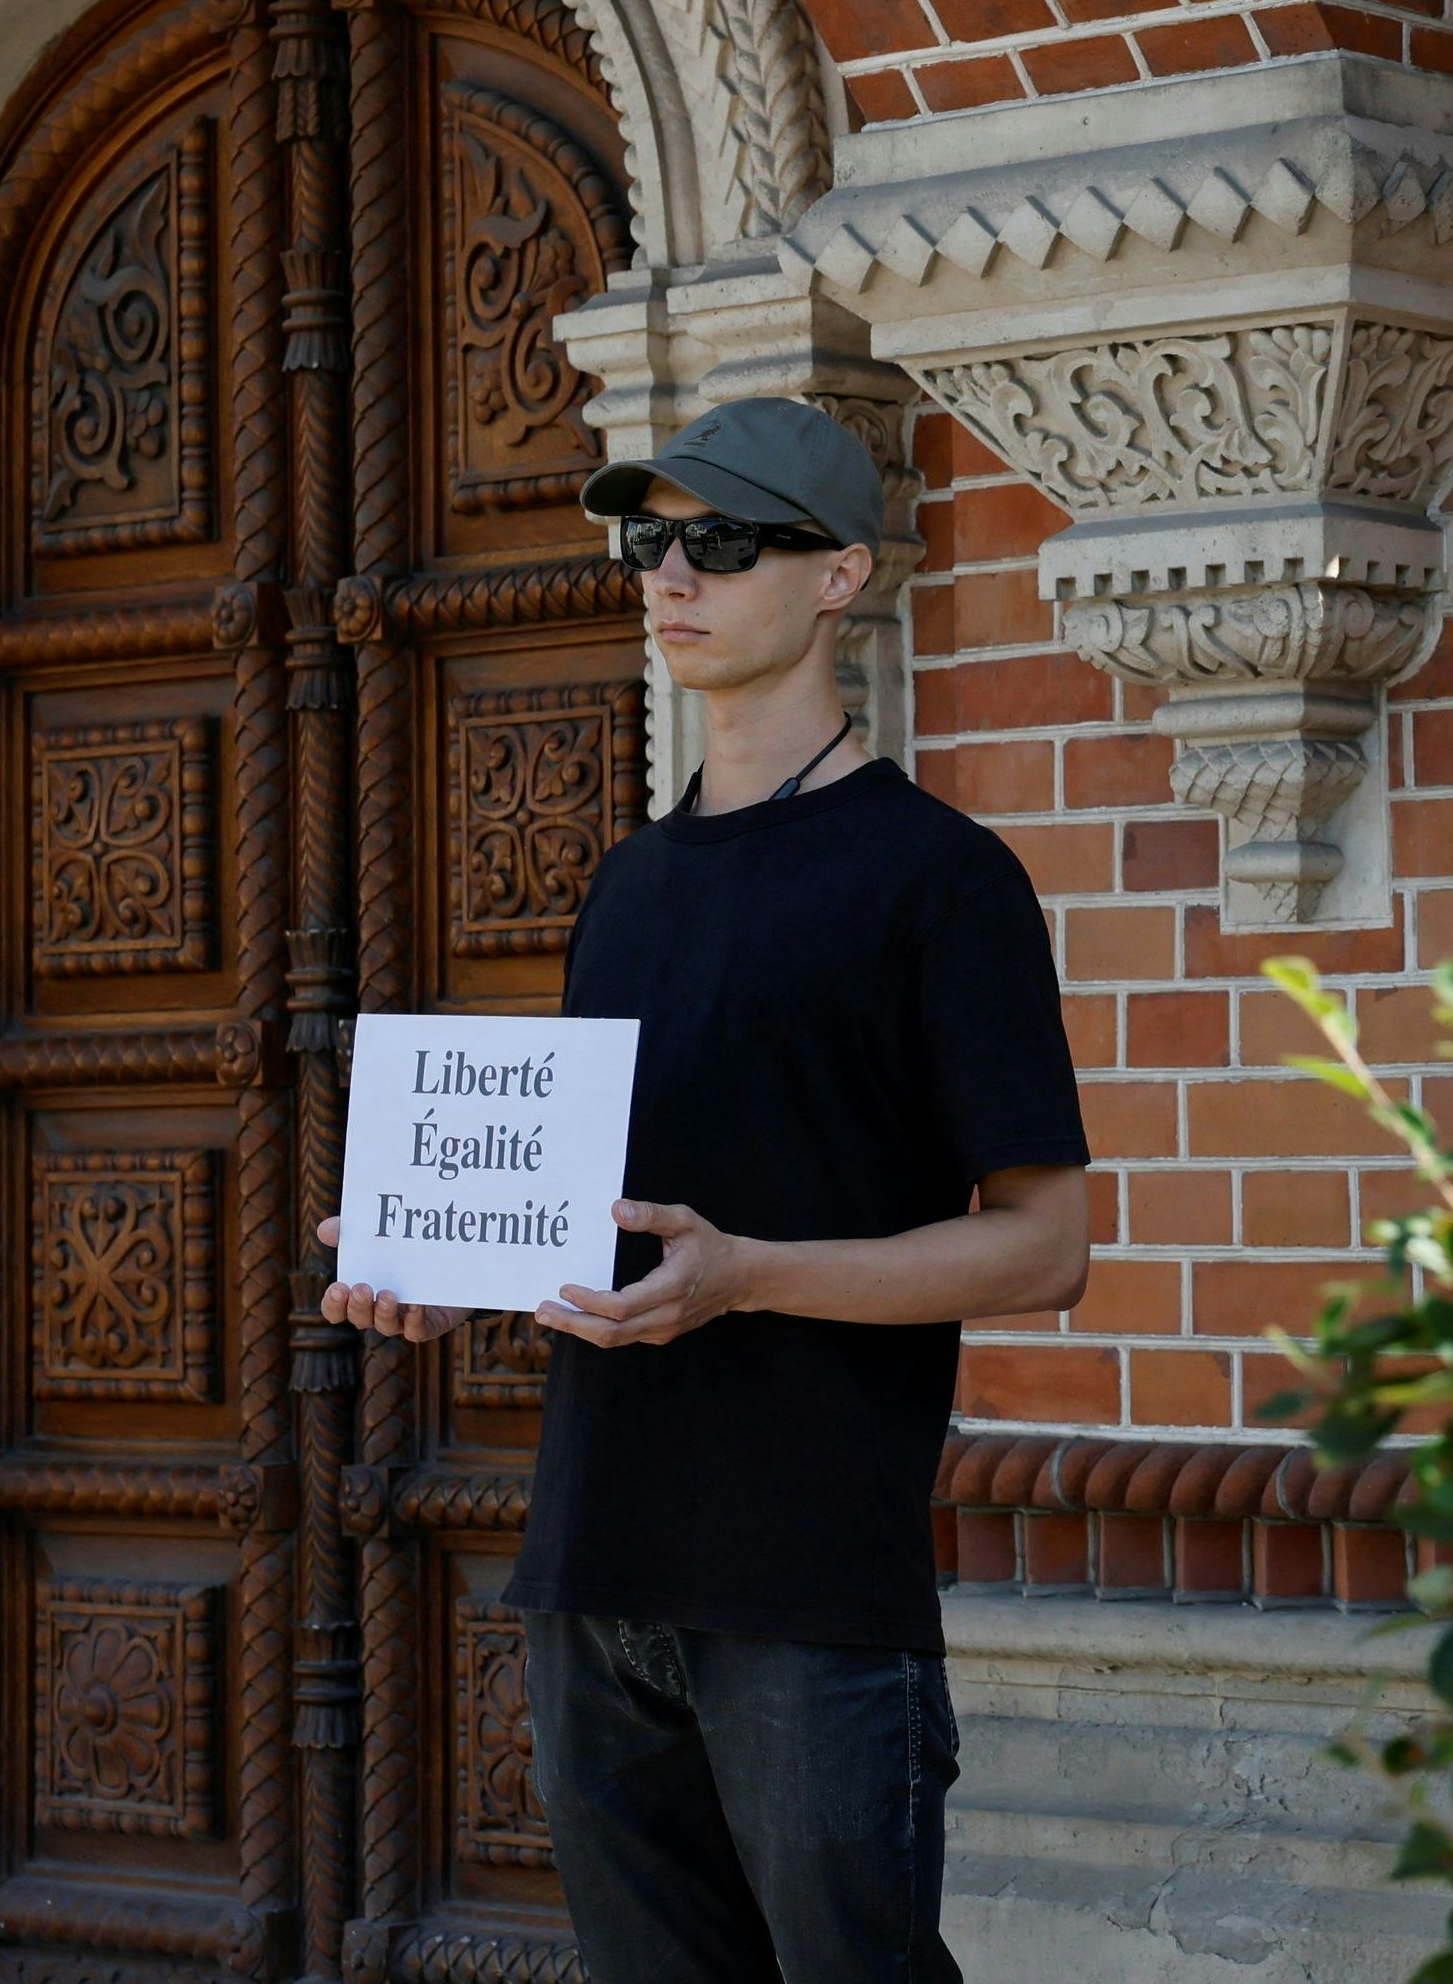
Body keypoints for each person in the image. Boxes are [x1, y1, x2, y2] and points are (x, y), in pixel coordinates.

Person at [316, 397, 1091, 1984]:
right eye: (651, 540)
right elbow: (609, 1218)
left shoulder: (946, 878)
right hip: (594, 1567)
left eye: (723, 542)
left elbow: (1045, 1247)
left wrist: (751, 1275)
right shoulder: (630, 880)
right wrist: (429, 1254)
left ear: (840, 576)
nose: (673, 574)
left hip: (807, 1587)